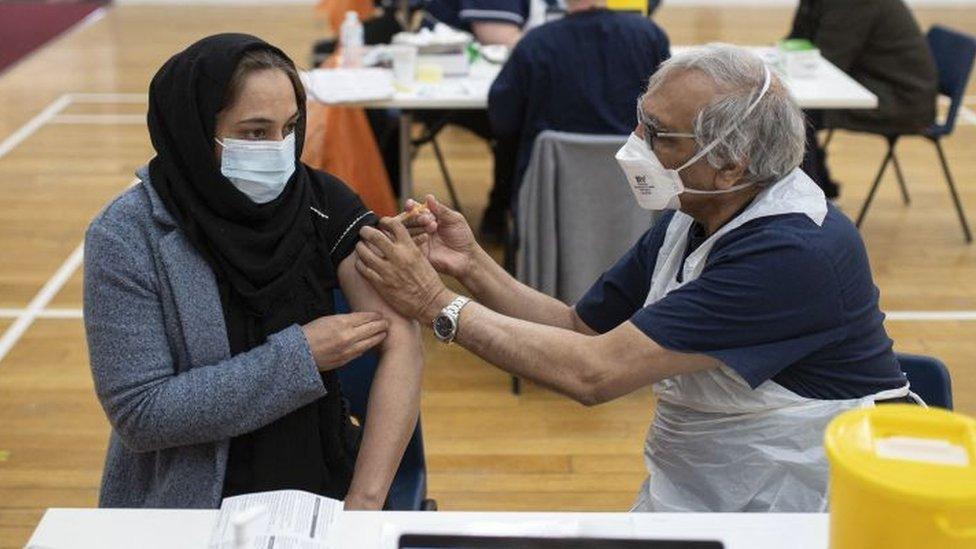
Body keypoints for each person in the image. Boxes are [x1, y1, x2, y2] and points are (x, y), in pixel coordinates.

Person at [353, 44, 916, 512]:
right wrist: (470, 264)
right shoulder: (696, 213)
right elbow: (580, 328)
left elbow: (594, 374)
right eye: (642, 120)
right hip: (722, 476)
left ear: (733, 160)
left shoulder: (791, 254)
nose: (636, 144)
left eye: (660, 134)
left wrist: (432, 302)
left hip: (811, 501)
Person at [83, 34, 422, 510]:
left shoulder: (322, 202)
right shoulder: (127, 236)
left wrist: (364, 501)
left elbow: (399, 340)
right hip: (189, 504)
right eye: (255, 132)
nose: (281, 150)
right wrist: (300, 356)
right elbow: (141, 413)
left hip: (322, 487)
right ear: (196, 131)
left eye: (290, 127)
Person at [488, 0, 670, 208]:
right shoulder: (648, 35)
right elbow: (668, 113)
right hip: (636, 193)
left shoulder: (535, 44)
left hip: (550, 197)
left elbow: (503, 120)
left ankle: (495, 218)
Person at [788, 0, 937, 198]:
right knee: (788, 110)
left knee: (792, 117)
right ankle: (821, 189)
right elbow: (795, 43)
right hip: (869, 85)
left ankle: (814, 200)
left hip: (900, 101)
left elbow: (828, 61)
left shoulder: (857, 4)